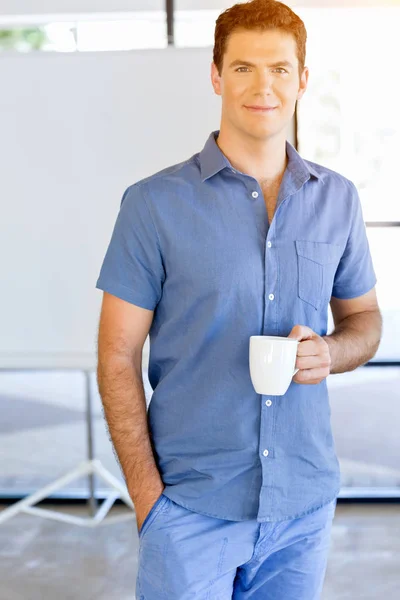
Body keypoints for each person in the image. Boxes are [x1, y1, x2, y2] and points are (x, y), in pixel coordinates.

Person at [95, 0, 382, 598]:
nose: (263, 86)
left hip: (301, 511)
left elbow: (364, 320)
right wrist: (149, 501)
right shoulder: (153, 204)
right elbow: (116, 357)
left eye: (279, 69)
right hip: (189, 507)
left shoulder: (339, 200)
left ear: (302, 79)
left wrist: (330, 351)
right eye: (245, 67)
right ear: (217, 75)